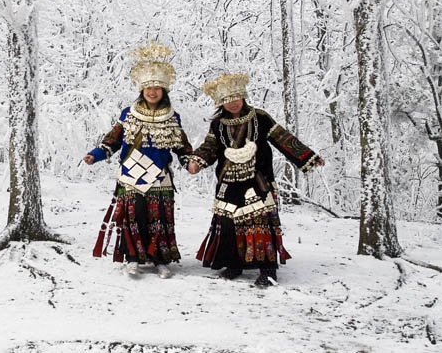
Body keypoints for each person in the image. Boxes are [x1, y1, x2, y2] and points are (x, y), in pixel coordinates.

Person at [186, 73, 324, 287]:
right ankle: (234, 265)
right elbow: (210, 148)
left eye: (236, 98)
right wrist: (197, 161)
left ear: (243, 97)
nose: (232, 103)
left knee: (259, 223)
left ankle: (267, 270)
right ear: (221, 103)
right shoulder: (218, 125)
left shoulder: (260, 118)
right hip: (228, 181)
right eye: (227, 100)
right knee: (228, 223)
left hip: (257, 179)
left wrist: (306, 156)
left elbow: (283, 138)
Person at [83, 43, 193, 279]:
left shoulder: (173, 117)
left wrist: (190, 162)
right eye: (148, 88)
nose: (152, 92)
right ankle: (132, 257)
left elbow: (182, 146)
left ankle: (160, 260)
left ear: (164, 91)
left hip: (160, 177)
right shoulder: (128, 114)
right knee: (133, 217)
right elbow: (112, 140)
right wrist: (96, 155)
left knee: (160, 219)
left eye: (157, 88)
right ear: (141, 90)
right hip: (131, 176)